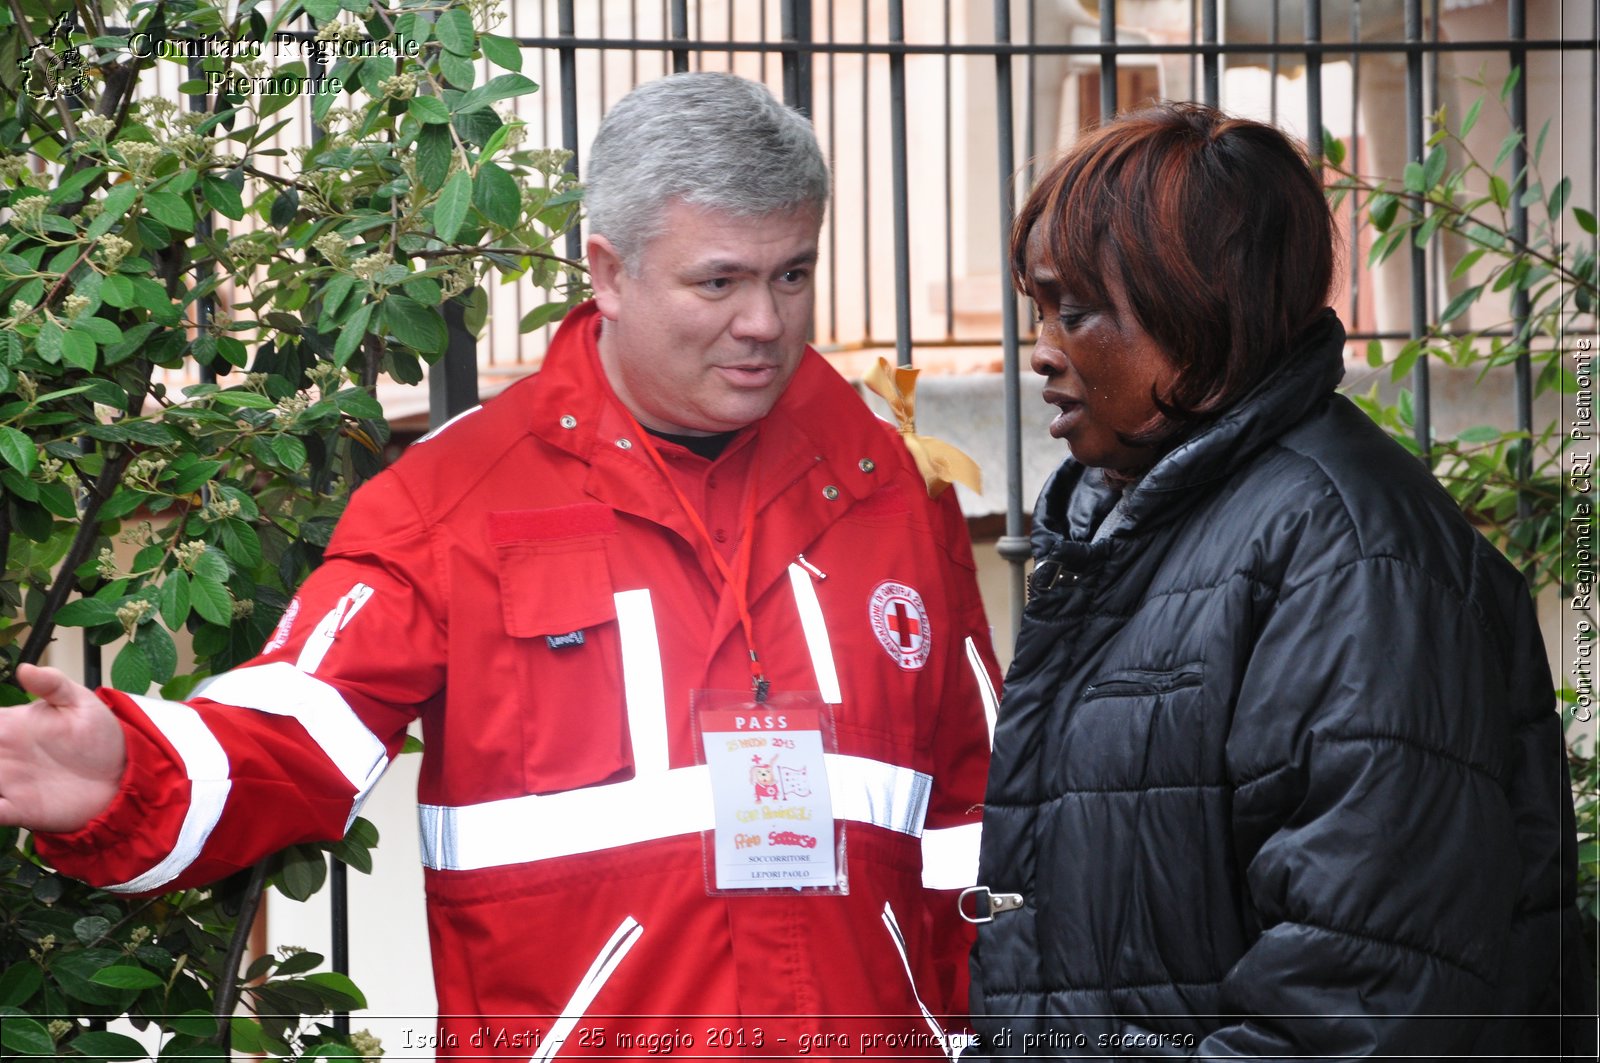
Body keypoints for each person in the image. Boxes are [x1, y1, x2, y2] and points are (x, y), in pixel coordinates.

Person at [0, 72, 998, 1058]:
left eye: (791, 274)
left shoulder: (894, 486)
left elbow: (981, 816)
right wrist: (129, 771)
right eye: (720, 280)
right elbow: (298, 729)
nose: (765, 323)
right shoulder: (452, 500)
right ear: (608, 273)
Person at [967, 102, 1593, 1057]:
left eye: (1078, 309)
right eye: (1040, 309)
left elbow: (1362, 994)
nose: (1043, 348)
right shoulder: (1148, 523)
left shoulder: (1347, 557)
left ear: (1198, 305)